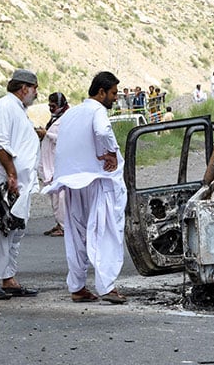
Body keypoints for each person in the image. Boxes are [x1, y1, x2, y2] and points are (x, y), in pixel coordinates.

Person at [42, 71, 128, 304]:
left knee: (76, 234)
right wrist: (110, 151)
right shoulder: (96, 110)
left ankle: (78, 287)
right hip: (97, 180)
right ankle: (107, 286)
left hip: (72, 182)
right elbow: (102, 131)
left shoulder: (71, 114)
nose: (114, 98)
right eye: (113, 94)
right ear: (101, 92)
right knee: (105, 231)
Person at [0, 69, 41, 300]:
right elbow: (0, 144)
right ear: (24, 88)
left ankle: (8, 278)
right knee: (1, 231)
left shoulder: (18, 109)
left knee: (16, 231)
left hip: (19, 185)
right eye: (34, 88)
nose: (36, 94)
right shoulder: (6, 107)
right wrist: (12, 174)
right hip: (5, 184)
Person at [38, 92, 70, 237]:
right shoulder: (55, 119)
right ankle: (59, 222)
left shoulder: (67, 118)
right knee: (54, 195)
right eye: (49, 106)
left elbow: (66, 139)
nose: (51, 109)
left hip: (59, 163)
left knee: (60, 197)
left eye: (53, 106)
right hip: (50, 162)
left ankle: (64, 226)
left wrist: (47, 135)